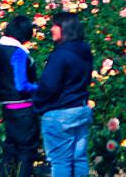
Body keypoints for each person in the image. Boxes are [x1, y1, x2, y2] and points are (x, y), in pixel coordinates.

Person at [35, 12, 93, 177]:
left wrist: (37, 102)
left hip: (60, 112)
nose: (51, 29)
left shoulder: (60, 55)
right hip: (79, 108)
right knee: (79, 159)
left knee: (60, 161)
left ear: (65, 29)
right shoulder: (84, 52)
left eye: (55, 26)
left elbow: (48, 86)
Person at [0, 15, 40, 177]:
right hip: (23, 108)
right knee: (26, 151)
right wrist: (39, 88)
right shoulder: (19, 53)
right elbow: (22, 84)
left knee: (10, 149)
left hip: (7, 106)